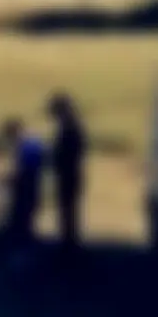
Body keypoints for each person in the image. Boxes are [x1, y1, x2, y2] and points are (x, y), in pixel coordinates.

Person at [48, 93, 85, 250]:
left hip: (68, 174)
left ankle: (68, 245)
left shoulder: (69, 127)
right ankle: (68, 243)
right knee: (68, 211)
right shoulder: (72, 125)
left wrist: (56, 158)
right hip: (71, 173)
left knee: (67, 211)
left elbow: (67, 151)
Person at [2, 119, 44, 245]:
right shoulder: (34, 142)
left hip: (25, 189)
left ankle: (21, 248)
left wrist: (9, 180)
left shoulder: (24, 146)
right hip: (33, 187)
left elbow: (23, 171)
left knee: (21, 220)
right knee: (27, 219)